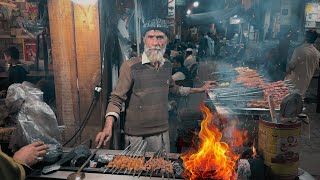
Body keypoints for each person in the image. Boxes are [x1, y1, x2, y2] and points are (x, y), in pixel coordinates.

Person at [95, 18, 217, 152]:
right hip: (136, 136)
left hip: (161, 133)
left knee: (159, 171)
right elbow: (116, 99)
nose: (155, 43)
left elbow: (174, 89)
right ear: (144, 40)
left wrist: (201, 89)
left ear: (166, 40)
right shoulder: (130, 66)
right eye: (150, 37)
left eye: (160, 37)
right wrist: (108, 127)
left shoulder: (167, 65)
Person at [285, 30, 320, 97]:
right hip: (305, 82)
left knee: (287, 98)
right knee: (298, 99)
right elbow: (317, 68)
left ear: (305, 37)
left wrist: (287, 71)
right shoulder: (317, 53)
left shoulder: (299, 50)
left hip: (293, 81)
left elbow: (291, 66)